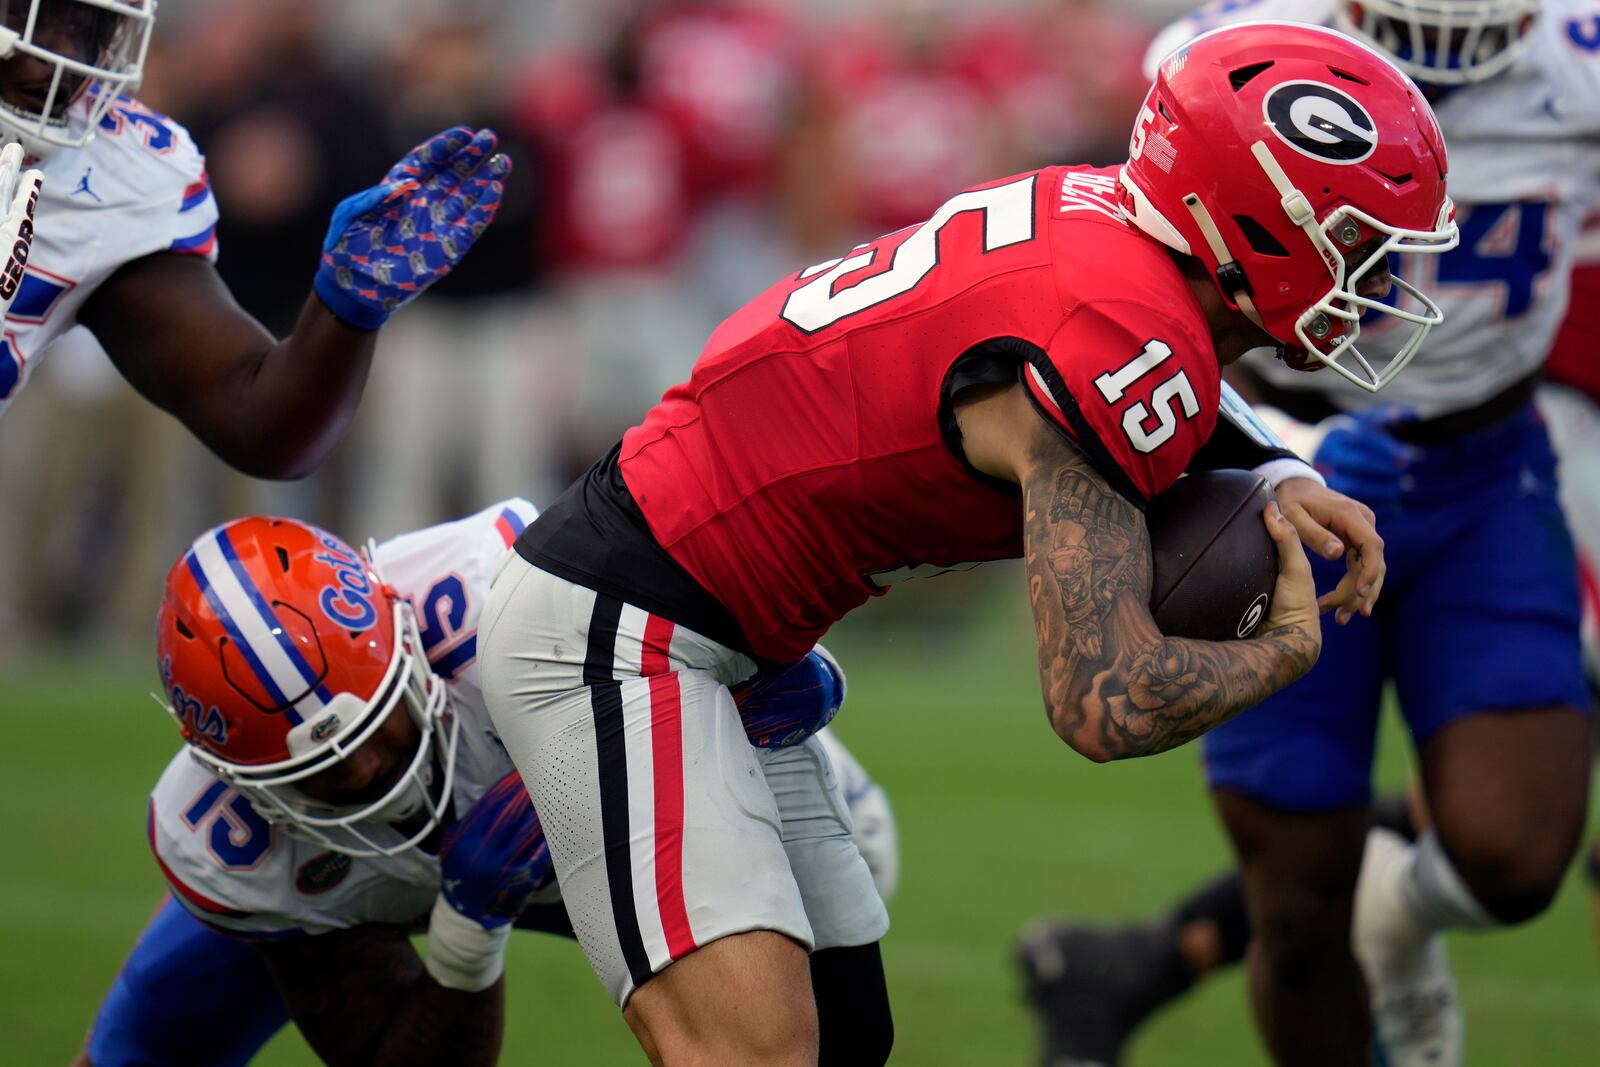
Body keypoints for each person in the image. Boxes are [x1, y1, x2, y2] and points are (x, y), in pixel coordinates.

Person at [479, 21, 1460, 1066]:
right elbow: (1102, 697)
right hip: (623, 621)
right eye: (1356, 239)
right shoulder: (1121, 337)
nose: (1381, 271)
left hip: (721, 620)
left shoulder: (1104, 214)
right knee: (753, 1050)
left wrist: (1276, 465)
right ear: (1256, 222)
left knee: (848, 1036)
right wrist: (1285, 649)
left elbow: (1109, 352)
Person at [1016, 3, 1600, 1065]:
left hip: (1485, 459)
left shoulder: (1580, 62)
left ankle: (1398, 913)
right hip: (1279, 455)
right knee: (1293, 897)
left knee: (1517, 853)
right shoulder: (1235, 52)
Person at [74, 503, 895, 1067]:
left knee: (841, 890)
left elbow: (707, 633)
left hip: (596, 810)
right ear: (240, 779)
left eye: (377, 730)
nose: (366, 775)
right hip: (342, 888)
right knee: (133, 1054)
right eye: (319, 773)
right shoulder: (229, 842)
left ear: (408, 641)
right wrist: (467, 934)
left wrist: (755, 687)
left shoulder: (494, 590)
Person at [0, 1, 507, 478]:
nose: (58, 56)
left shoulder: (114, 170)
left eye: (87, 24)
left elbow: (257, 420)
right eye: (27, 12)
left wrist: (345, 309)